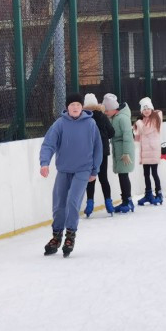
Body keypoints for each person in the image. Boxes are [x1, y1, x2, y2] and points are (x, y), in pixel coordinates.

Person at [39, 92, 103, 257]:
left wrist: (95, 169)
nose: (75, 108)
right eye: (72, 105)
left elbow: (98, 147)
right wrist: (44, 163)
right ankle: (56, 236)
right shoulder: (60, 124)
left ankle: (70, 235)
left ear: (82, 107)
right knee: (59, 203)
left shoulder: (90, 124)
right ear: (67, 107)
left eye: (78, 105)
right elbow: (48, 144)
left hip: (83, 169)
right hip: (64, 169)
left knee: (73, 200)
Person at [82, 92, 116, 217]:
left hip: (89, 152)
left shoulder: (84, 118)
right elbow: (112, 132)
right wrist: (104, 136)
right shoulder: (102, 116)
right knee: (103, 178)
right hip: (102, 152)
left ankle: (89, 205)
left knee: (91, 178)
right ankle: (109, 203)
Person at [103, 92, 136, 213]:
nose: (106, 113)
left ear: (113, 109)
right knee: (122, 176)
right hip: (119, 150)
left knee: (124, 176)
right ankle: (125, 201)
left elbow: (128, 136)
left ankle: (128, 201)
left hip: (124, 151)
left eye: (107, 111)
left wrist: (126, 152)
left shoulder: (122, 118)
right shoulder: (115, 117)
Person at [134, 97, 164, 206]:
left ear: (151, 109)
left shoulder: (155, 119)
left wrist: (138, 122)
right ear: (141, 111)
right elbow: (138, 136)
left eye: (148, 108)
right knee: (146, 174)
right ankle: (148, 194)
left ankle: (159, 194)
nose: (146, 111)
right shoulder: (142, 121)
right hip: (145, 152)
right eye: (144, 109)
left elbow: (145, 130)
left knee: (154, 173)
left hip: (152, 151)